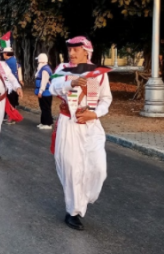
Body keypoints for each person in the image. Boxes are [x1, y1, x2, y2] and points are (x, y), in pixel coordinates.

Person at [49, 36, 112, 231]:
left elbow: (105, 99)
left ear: (86, 51)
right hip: (69, 124)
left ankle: (83, 198)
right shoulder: (63, 70)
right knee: (71, 167)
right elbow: (52, 88)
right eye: (70, 50)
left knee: (98, 168)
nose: (72, 53)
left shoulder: (98, 73)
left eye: (76, 50)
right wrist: (70, 83)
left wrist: (95, 113)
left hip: (91, 126)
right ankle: (73, 211)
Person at [2, 47, 23, 125]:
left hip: (10, 85)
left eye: (3, 53)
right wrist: (20, 80)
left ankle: (11, 118)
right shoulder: (15, 61)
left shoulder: (7, 63)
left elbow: (6, 76)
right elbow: (19, 70)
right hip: (16, 84)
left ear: (6, 53)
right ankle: (6, 117)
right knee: (12, 101)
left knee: (10, 102)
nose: (3, 55)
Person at [35, 53, 54, 129]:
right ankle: (43, 122)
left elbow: (44, 82)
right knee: (43, 107)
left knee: (46, 108)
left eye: (38, 61)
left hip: (46, 93)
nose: (37, 63)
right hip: (44, 92)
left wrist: (40, 91)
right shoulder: (43, 68)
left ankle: (48, 123)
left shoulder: (45, 70)